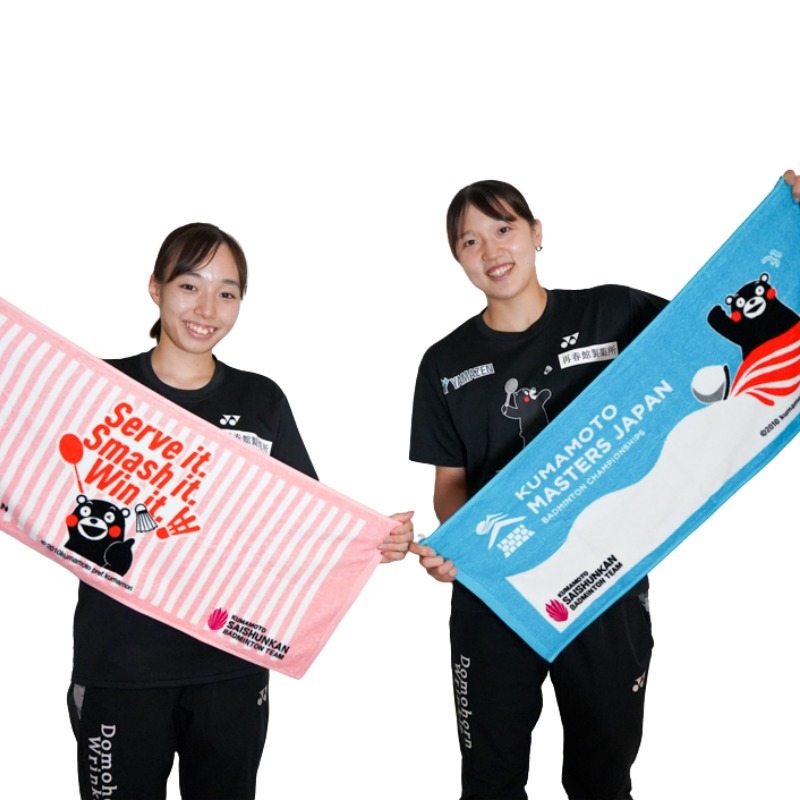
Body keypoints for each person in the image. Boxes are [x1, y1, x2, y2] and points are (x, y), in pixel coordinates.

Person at [408, 171, 800, 800]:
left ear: (537, 232)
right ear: (457, 260)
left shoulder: (613, 311)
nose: (492, 250)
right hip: (498, 594)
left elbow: (711, 329)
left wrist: (791, 227)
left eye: (504, 228)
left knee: (603, 780)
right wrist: (462, 550)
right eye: (470, 242)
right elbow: (449, 483)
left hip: (603, 582)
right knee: (489, 783)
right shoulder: (444, 363)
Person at [67, 222, 414, 800]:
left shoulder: (260, 399)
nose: (208, 309)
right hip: (120, 666)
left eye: (226, 293)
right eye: (190, 286)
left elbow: (303, 521)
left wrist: (374, 540)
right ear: (155, 288)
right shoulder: (99, 387)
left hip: (231, 659)